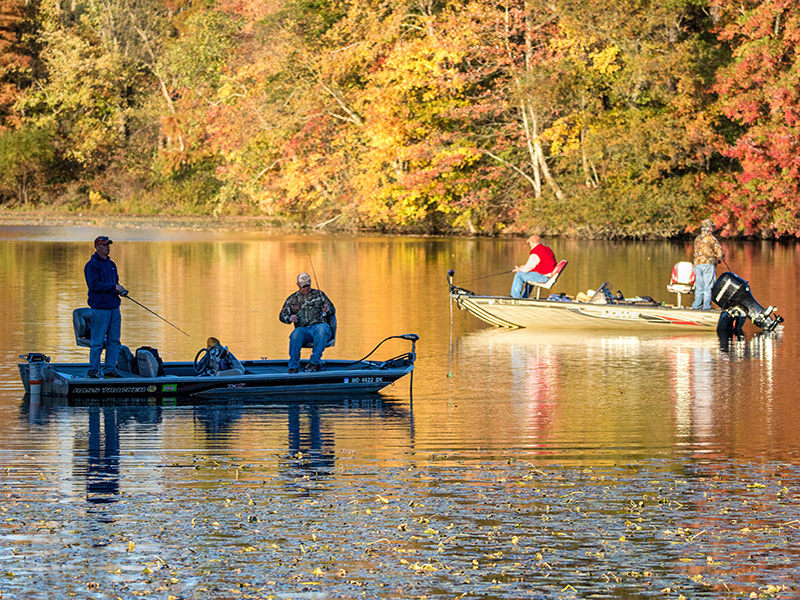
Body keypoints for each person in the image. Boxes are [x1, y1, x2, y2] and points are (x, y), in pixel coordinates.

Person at [84, 235, 127, 378]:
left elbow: (115, 283)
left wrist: (120, 290)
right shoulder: (92, 265)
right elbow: (93, 285)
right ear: (97, 247)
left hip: (114, 308)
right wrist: (113, 286)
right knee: (97, 342)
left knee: (114, 341)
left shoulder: (112, 265)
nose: (107, 247)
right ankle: (94, 370)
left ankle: (109, 369)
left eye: (108, 244)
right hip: (100, 309)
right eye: (104, 245)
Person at [279, 273, 336, 373]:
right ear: (298, 285)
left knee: (322, 330)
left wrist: (327, 309)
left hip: (319, 326)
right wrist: (290, 317)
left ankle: (314, 362)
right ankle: (293, 365)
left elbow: (332, 310)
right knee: (296, 334)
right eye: (303, 286)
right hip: (304, 329)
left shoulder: (320, 295)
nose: (306, 288)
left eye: (307, 285)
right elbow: (281, 316)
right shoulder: (292, 299)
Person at [692, 219, 724, 311]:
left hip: (697, 265)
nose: (713, 229)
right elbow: (719, 253)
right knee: (708, 287)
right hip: (708, 265)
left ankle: (696, 307)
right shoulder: (712, 238)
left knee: (699, 287)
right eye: (712, 227)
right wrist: (722, 257)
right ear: (709, 228)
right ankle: (706, 308)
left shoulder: (697, 238)